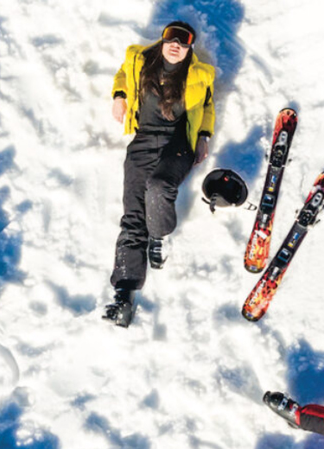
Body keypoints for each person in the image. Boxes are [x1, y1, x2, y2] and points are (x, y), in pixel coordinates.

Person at [103, 21, 216, 328]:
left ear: (190, 47)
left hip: (176, 143)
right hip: (142, 141)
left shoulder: (199, 75)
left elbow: (207, 106)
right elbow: (123, 75)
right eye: (171, 37)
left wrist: (203, 135)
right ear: (163, 39)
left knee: (159, 186)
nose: (175, 44)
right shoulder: (140, 60)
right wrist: (119, 96)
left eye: (184, 40)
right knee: (132, 217)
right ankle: (123, 292)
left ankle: (160, 237)